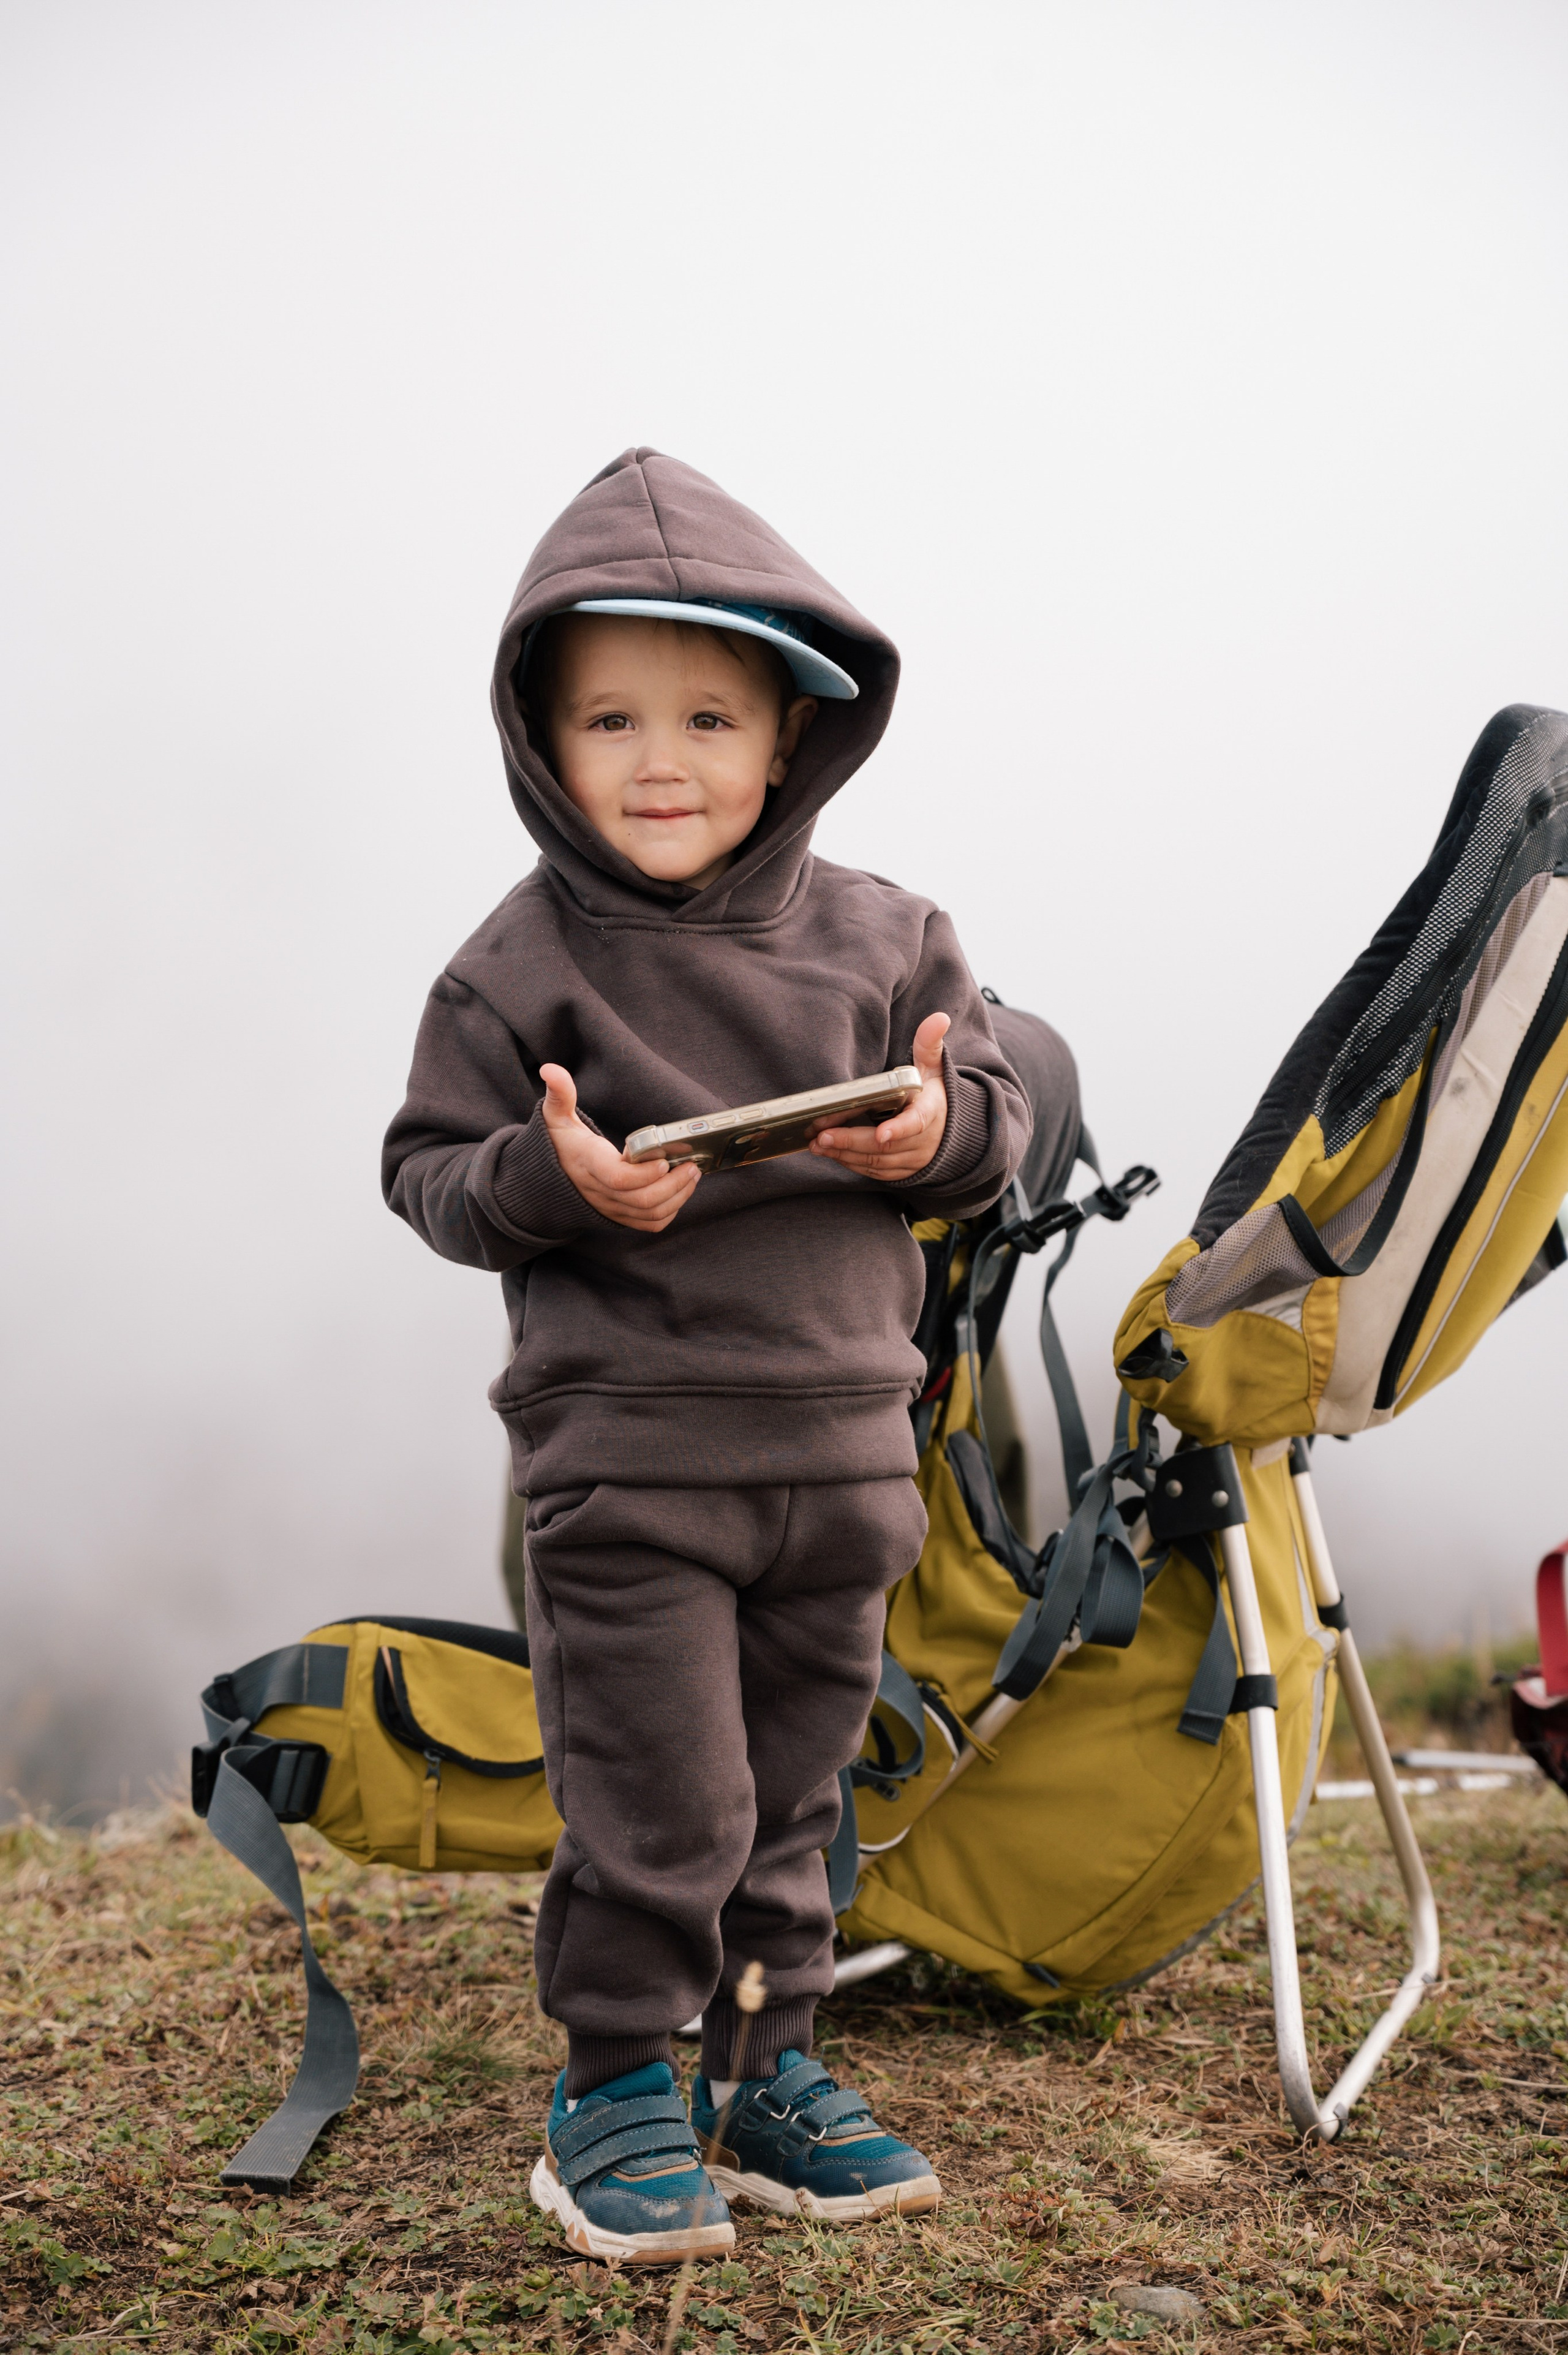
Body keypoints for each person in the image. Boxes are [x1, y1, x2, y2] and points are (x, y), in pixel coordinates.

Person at [383, 448, 1030, 2262]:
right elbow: (425, 1174)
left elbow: (995, 1110)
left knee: (794, 1786)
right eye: (610, 718)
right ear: (542, 736)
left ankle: (763, 2068)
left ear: (791, 734)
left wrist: (935, 1138)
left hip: (842, 1463)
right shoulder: (509, 972)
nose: (660, 761)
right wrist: (554, 1176)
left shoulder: (890, 933)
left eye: (706, 717)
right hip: (630, 1469)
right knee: (659, 1792)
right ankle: (610, 2083)